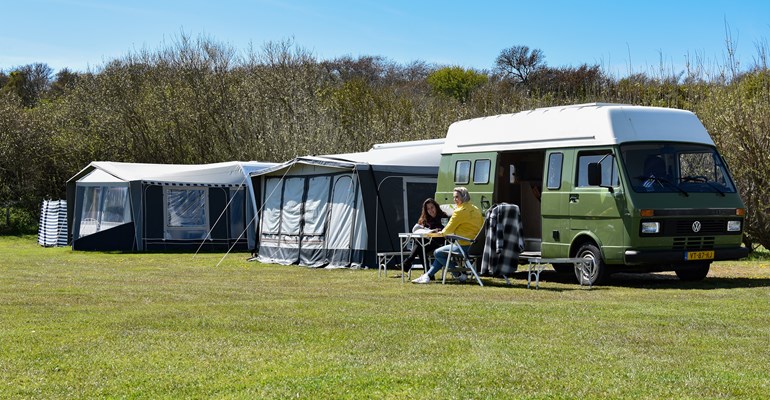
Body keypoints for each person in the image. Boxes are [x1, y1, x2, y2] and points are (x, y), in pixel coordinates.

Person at [412, 187, 484, 284]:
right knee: (442, 253)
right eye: (454, 197)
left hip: (464, 246)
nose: (454, 199)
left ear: (464, 196)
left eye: (457, 197)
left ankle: (458, 274)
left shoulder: (459, 211)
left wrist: (435, 233)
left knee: (438, 253)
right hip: (477, 247)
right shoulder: (476, 209)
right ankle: (427, 276)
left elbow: (447, 230)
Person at [398, 198, 449, 275]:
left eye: (432, 207)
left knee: (420, 245)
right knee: (420, 245)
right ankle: (427, 273)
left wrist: (436, 230)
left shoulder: (443, 216)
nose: (430, 210)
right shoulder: (425, 218)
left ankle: (408, 262)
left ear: (436, 207)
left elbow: (445, 229)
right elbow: (419, 228)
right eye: (428, 209)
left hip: (440, 242)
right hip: (426, 242)